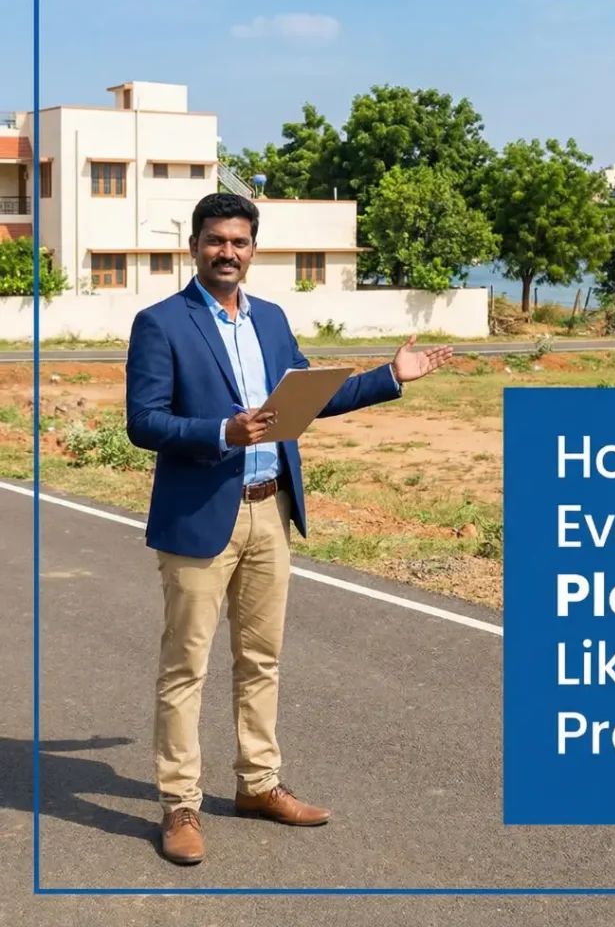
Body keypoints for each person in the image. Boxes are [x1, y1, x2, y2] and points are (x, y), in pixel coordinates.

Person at [125, 193, 453, 866]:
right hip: (199, 519)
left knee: (262, 659)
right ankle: (180, 804)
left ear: (253, 249)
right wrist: (222, 431)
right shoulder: (160, 323)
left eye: (239, 242)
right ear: (194, 245)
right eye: (215, 240)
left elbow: (310, 395)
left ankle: (258, 783)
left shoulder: (270, 320)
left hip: (271, 510)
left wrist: (390, 376)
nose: (227, 253)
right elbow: (144, 421)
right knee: (186, 666)